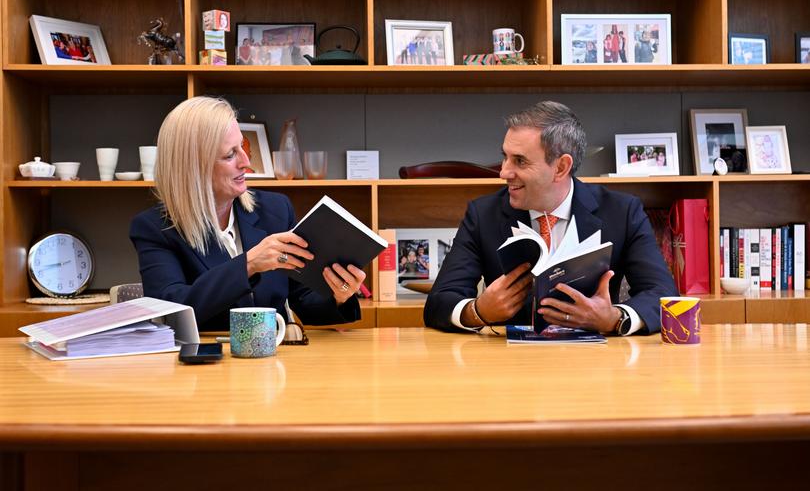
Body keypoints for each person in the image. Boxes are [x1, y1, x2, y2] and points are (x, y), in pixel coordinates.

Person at [424, 101, 677, 335]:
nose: (504, 172)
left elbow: (663, 295)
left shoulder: (622, 212)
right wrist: (478, 311)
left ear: (560, 168)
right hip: (508, 365)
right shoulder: (482, 215)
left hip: (596, 366)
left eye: (520, 161)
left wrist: (614, 319)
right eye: (505, 156)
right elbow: (439, 302)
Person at [130, 96, 365, 331]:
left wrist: (339, 295)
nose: (246, 163)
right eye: (230, 155)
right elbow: (173, 313)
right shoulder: (154, 229)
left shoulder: (275, 210)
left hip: (274, 360)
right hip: (206, 363)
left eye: (242, 147)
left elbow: (302, 299)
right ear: (194, 167)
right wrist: (249, 264)